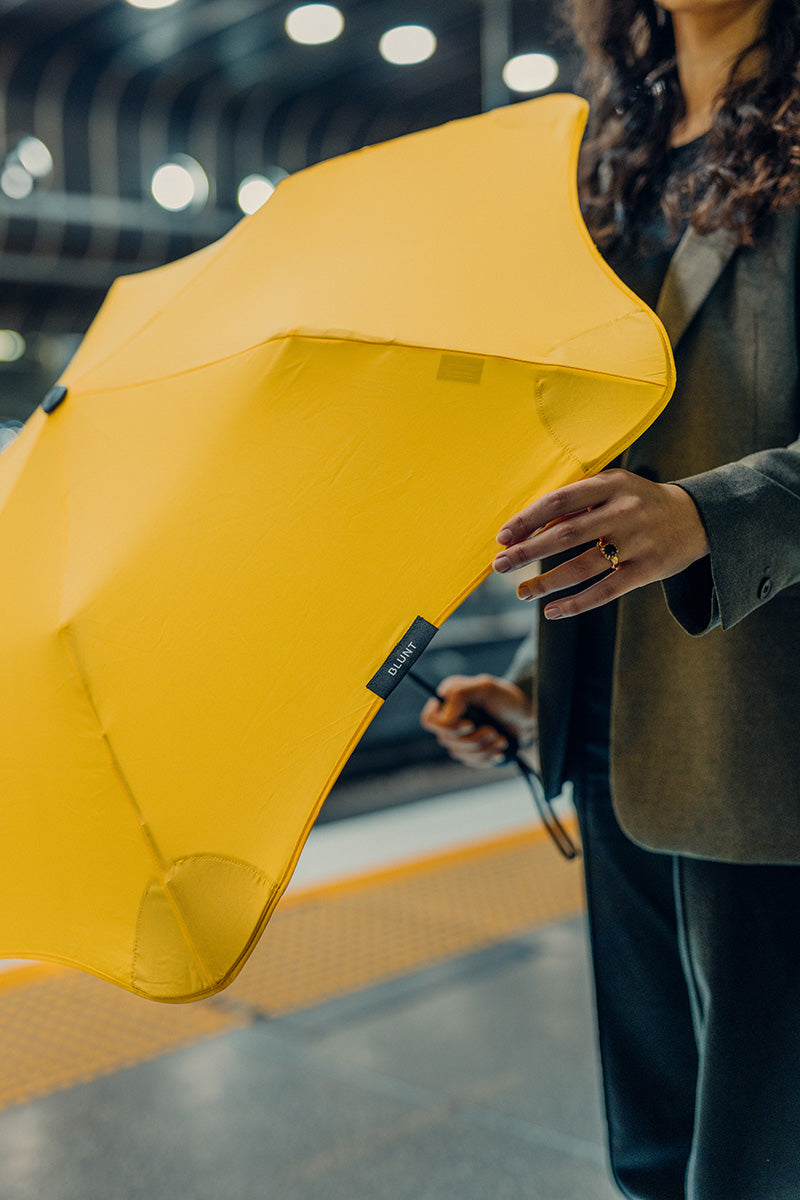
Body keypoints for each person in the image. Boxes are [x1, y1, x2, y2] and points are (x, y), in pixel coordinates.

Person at [421, 2, 800, 1198]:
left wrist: (710, 515)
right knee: (647, 1145)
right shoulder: (602, 159)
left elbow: (685, 481)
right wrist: (538, 697)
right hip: (615, 735)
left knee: (752, 1152)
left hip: (765, 736)